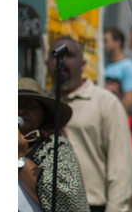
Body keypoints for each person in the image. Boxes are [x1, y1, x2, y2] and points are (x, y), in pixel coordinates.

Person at [47, 37, 132, 212]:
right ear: (46, 63)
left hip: (91, 205)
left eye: (69, 55)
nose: (61, 60)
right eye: (55, 55)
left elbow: (122, 167)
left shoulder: (105, 102)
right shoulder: (40, 105)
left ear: (83, 64)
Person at [18, 77, 90, 212]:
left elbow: (63, 201)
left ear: (44, 113)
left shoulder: (55, 147)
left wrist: (20, 157)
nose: (20, 111)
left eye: (29, 105)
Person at [104, 78, 132, 212]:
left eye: (113, 94)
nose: (109, 99)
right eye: (106, 93)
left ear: (121, 97)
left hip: (126, 186)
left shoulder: (128, 122)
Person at [104, 26, 132, 115]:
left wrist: (120, 121)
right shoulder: (103, 65)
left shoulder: (129, 67)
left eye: (106, 41)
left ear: (118, 42)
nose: (102, 45)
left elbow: (129, 100)